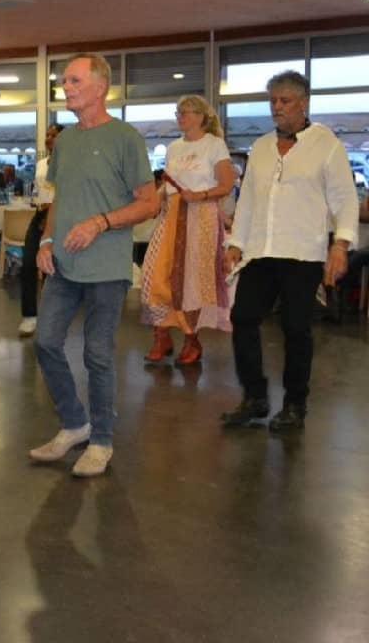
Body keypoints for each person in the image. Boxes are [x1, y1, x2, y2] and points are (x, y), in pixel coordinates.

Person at [28, 54, 158, 478]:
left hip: (106, 267)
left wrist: (101, 222)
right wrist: (47, 239)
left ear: (100, 88)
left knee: (97, 354)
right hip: (64, 263)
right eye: (64, 81)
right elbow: (59, 199)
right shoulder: (64, 141)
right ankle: (74, 424)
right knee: (45, 341)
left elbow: (149, 202)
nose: (65, 87)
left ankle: (101, 440)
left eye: (74, 80)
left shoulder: (125, 138)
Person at [221, 70, 359, 432]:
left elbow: (344, 200)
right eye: (273, 101)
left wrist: (340, 246)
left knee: (296, 327)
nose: (276, 108)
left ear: (303, 103)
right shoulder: (262, 146)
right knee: (244, 318)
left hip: (303, 252)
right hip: (261, 251)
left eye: (284, 101)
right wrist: (236, 243)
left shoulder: (326, 144)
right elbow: (248, 197)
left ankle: (296, 403)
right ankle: (255, 397)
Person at [140, 95, 236, 364]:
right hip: (171, 215)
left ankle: (191, 338)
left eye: (185, 112)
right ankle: (162, 333)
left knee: (191, 281)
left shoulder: (214, 145)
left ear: (201, 116)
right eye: (178, 112)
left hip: (200, 217)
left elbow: (226, 185)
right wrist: (154, 198)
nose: (180, 116)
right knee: (154, 274)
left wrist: (202, 195)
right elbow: (170, 185)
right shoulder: (173, 147)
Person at [19, 123, 66, 336]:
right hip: (38, 215)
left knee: (50, 269)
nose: (48, 138)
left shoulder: (68, 164)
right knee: (28, 263)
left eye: (53, 135)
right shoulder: (40, 164)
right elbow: (38, 192)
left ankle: (51, 317)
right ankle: (29, 315)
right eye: (47, 135)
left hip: (57, 217)